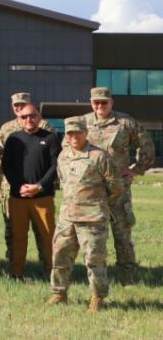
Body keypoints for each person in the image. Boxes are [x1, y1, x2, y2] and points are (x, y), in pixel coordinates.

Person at [48, 116, 123, 312]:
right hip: (68, 216)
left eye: (78, 132)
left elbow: (115, 186)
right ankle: (59, 293)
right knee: (60, 255)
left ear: (85, 132)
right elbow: (62, 181)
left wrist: (99, 205)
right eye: (70, 132)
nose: (74, 136)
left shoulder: (99, 157)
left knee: (94, 259)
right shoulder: (63, 156)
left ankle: (98, 298)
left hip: (92, 218)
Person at [82, 87, 155, 286]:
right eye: (96, 102)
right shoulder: (83, 123)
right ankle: (96, 276)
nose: (100, 106)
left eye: (104, 102)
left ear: (111, 102)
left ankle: (127, 277)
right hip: (92, 190)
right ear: (91, 103)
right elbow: (70, 148)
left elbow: (146, 147)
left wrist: (136, 168)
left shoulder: (125, 123)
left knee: (122, 233)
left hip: (119, 190)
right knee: (93, 235)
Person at [0, 92, 55, 265]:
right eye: (16, 106)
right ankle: (14, 265)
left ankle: (47, 265)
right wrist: (2, 184)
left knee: (43, 230)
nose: (20, 108)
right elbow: (1, 158)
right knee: (14, 230)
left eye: (23, 105)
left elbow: (51, 158)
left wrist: (40, 185)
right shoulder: (6, 129)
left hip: (40, 188)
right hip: (12, 187)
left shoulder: (45, 126)